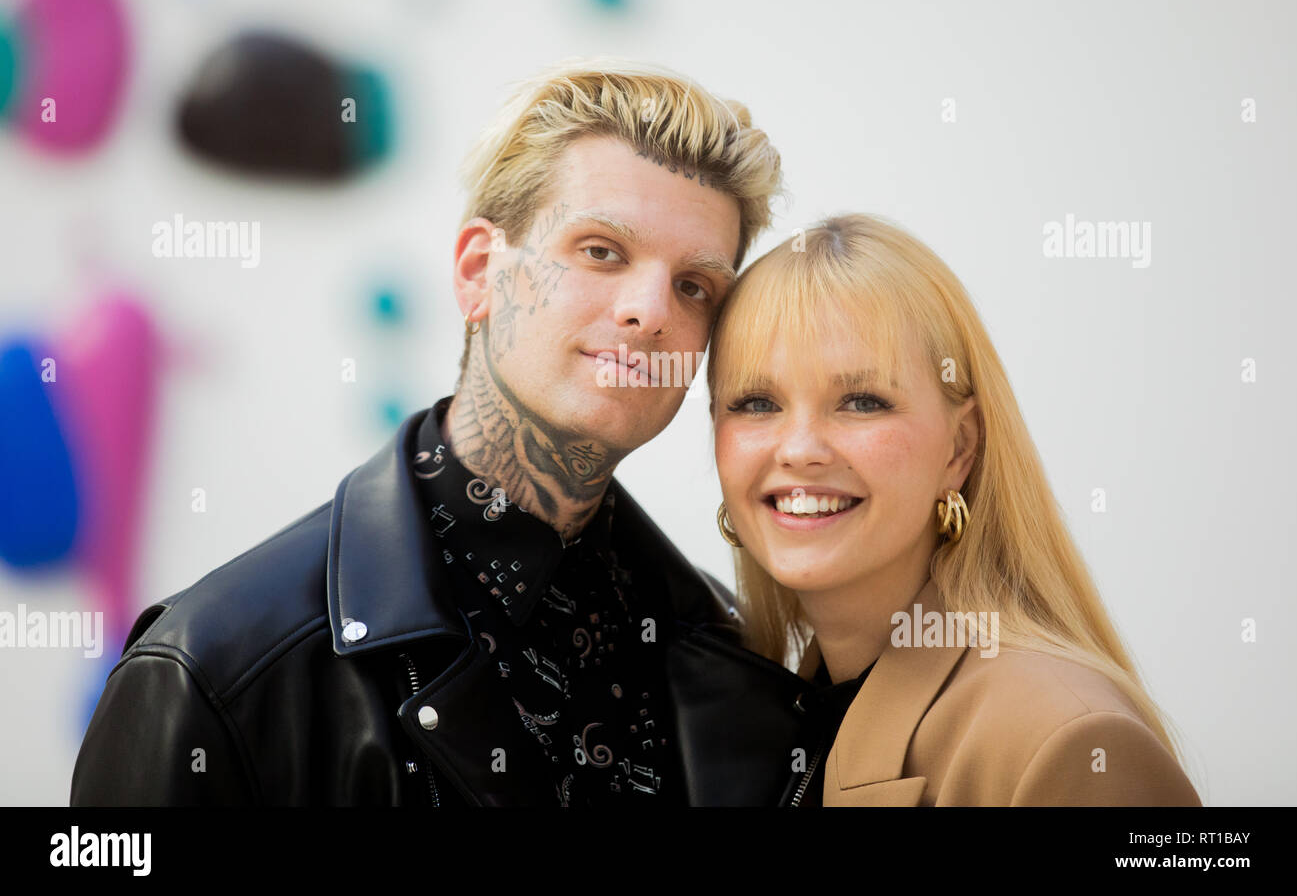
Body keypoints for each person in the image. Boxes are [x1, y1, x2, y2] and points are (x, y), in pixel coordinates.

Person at [70, 58, 813, 806]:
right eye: (600, 251)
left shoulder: (728, 655)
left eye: (694, 287)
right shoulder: (218, 671)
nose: (651, 311)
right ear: (479, 270)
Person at [708, 214, 1202, 806]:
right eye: (757, 403)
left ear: (959, 448)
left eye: (862, 402)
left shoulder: (1068, 741)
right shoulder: (786, 701)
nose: (799, 450)